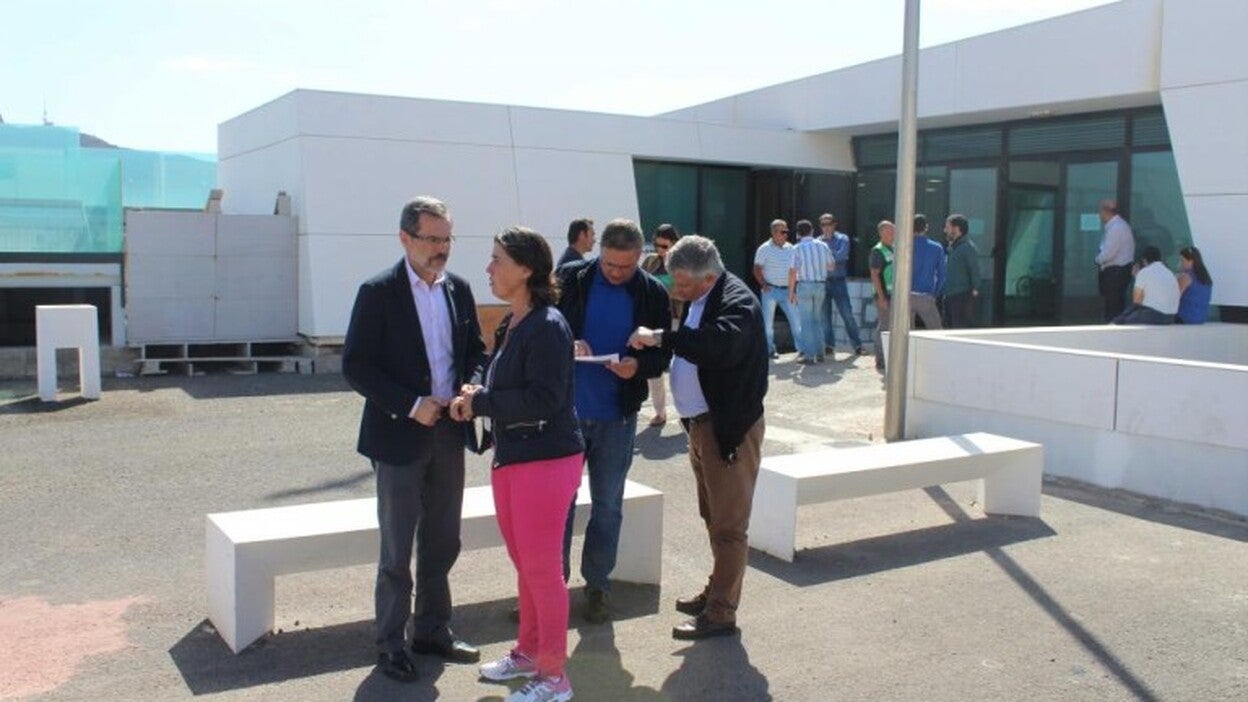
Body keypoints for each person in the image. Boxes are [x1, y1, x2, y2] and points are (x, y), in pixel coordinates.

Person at [342, 196, 487, 683]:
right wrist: (409, 403)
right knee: (397, 548)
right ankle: (389, 642)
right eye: (432, 239)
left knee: (443, 540)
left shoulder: (459, 290)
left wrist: (471, 385)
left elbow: (476, 352)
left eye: (447, 239)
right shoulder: (378, 292)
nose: (441, 249)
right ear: (405, 238)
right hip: (398, 436)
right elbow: (356, 365)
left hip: (449, 432)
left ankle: (432, 630)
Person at [451, 227, 583, 702]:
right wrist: (476, 393)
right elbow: (499, 378)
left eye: (497, 260)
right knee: (525, 564)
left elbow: (545, 399)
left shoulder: (547, 325)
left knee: (543, 569)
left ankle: (554, 677)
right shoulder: (515, 321)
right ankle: (528, 653)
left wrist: (482, 401)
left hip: (546, 460)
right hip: (515, 458)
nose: (488, 268)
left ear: (526, 268)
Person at [628, 234, 768, 641]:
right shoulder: (704, 295)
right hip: (702, 425)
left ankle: (721, 613)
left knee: (729, 526)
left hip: (728, 430)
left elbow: (718, 345)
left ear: (707, 277)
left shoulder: (737, 301)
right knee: (714, 518)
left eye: (683, 284)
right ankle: (716, 593)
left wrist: (661, 337)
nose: (677, 291)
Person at [556, 218, 672, 623]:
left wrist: (638, 365)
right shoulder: (571, 278)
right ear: (599, 252)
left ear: (639, 258)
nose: (615, 273)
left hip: (617, 416)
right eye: (608, 264)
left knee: (608, 506)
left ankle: (598, 586)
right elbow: (536, 329)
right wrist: (565, 342)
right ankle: (550, 588)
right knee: (559, 506)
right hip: (566, 413)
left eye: (625, 267)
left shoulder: (653, 293)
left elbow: (664, 353)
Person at [641, 224, 681, 426]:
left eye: (664, 246)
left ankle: (688, 411)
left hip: (677, 321)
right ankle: (660, 412)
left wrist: (664, 289)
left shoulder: (682, 264)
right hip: (654, 321)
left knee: (680, 368)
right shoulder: (649, 262)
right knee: (655, 368)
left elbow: (684, 291)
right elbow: (641, 284)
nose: (660, 250)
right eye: (657, 245)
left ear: (674, 243)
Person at [753, 219, 801, 360]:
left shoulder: (791, 248)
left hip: (788, 290)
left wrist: (794, 289)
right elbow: (756, 268)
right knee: (768, 324)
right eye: (783, 231)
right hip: (771, 291)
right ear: (774, 233)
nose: (786, 234)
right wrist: (763, 284)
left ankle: (802, 349)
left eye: (787, 231)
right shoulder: (764, 249)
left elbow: (796, 270)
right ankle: (770, 350)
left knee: (796, 321)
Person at [818, 213, 864, 356]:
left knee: (847, 313)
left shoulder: (842, 238)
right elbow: (818, 261)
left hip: (838, 281)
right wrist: (829, 256)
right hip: (823, 282)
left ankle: (857, 345)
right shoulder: (817, 241)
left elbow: (841, 256)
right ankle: (829, 345)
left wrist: (824, 254)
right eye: (823, 224)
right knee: (825, 316)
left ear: (834, 225)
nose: (826, 227)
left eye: (829, 224)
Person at [790, 218, 834, 363]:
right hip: (820, 285)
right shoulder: (822, 246)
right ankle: (820, 352)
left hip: (804, 285)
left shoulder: (796, 248)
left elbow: (792, 271)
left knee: (806, 321)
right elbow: (831, 266)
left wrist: (791, 292)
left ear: (798, 233)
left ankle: (809, 356)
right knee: (817, 320)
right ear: (812, 231)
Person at [1111, 245, 1179, 325]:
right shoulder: (1169, 273)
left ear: (1144, 260)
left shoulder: (1144, 272)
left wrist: (1137, 277)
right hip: (1170, 317)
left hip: (1154, 315)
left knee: (1122, 321)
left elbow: (1136, 300)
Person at [1095, 199, 1136, 322]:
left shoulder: (1116, 228)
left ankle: (1112, 332)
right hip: (1119, 272)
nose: (1100, 215)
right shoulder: (1119, 226)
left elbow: (1109, 252)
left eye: (1100, 211)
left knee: (1112, 307)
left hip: (1115, 272)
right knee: (1115, 305)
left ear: (1106, 212)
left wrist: (1097, 259)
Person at [942, 214, 980, 328]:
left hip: (961, 296)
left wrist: (974, 291)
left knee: (959, 328)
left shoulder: (967, 247)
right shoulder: (953, 248)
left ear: (956, 229)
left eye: (947, 227)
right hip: (949, 295)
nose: (945, 230)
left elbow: (974, 270)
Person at [910, 214, 946, 329]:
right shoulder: (936, 248)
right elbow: (942, 275)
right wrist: (935, 294)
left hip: (906, 295)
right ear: (926, 227)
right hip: (926, 295)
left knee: (905, 333)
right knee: (936, 331)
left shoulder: (904, 246)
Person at [869, 220, 896, 371]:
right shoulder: (878, 251)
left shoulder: (892, 248)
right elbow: (875, 274)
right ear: (882, 233)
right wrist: (881, 297)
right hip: (884, 296)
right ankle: (881, 360)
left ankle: (886, 358)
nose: (894, 234)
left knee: (886, 326)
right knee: (884, 327)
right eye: (891, 231)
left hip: (893, 295)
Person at [1175, 246, 1213, 324]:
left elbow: (1175, 296)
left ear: (1191, 261)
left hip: (1184, 317)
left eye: (1182, 261)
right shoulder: (1206, 278)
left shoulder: (1186, 276)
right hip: (1201, 318)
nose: (1180, 264)